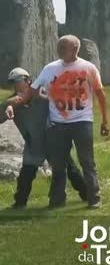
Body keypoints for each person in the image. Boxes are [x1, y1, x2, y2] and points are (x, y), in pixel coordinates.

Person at [12, 35, 110, 209]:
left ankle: (94, 198)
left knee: (87, 162)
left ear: (75, 50)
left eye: (64, 47)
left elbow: (100, 94)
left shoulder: (88, 68)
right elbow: (32, 90)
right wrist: (17, 103)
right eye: (59, 46)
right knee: (59, 166)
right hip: (58, 124)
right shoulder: (50, 68)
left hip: (82, 121)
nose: (59, 49)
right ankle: (57, 201)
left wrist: (105, 121)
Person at [5, 68, 89, 209]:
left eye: (18, 81)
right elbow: (6, 108)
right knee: (26, 175)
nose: (16, 85)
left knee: (71, 170)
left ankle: (87, 194)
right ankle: (19, 203)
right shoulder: (12, 103)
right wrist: (9, 107)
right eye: (14, 82)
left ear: (28, 81)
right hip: (34, 144)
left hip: (53, 141)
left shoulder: (43, 94)